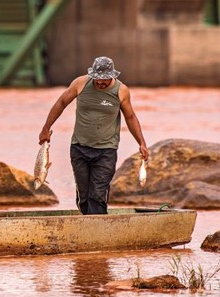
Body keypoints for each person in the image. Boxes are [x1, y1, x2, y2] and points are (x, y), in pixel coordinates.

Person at [38, 56, 149, 215]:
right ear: (93, 75)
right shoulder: (80, 84)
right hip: (79, 148)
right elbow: (61, 103)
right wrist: (46, 128)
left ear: (113, 76)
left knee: (97, 194)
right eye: (97, 79)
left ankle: (99, 230)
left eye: (105, 79)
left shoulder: (121, 90)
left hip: (106, 151)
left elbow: (130, 117)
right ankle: (87, 225)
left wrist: (141, 142)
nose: (101, 82)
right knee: (84, 195)